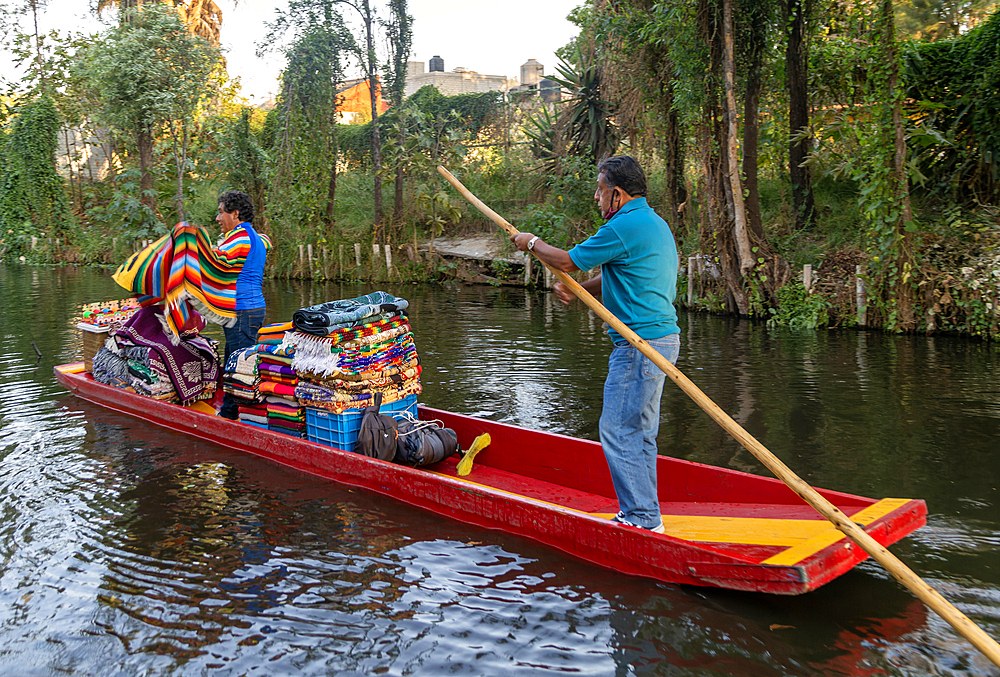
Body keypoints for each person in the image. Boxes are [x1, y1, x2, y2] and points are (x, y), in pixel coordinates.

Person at [511, 156, 680, 533]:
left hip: (640, 344)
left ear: (617, 195)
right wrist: (580, 292)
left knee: (619, 430)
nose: (596, 197)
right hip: (662, 340)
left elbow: (568, 261)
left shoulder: (625, 224)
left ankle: (640, 519)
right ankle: (645, 512)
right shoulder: (652, 223)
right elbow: (624, 272)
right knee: (639, 431)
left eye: (600, 190)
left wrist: (530, 242)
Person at [216, 190, 272, 420]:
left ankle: (231, 414)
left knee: (237, 363)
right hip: (253, 308)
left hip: (242, 310)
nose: (218, 218)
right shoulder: (257, 238)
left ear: (235, 214)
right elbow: (267, 242)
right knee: (238, 358)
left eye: (221, 213)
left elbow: (214, 264)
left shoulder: (239, 239)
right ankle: (235, 410)